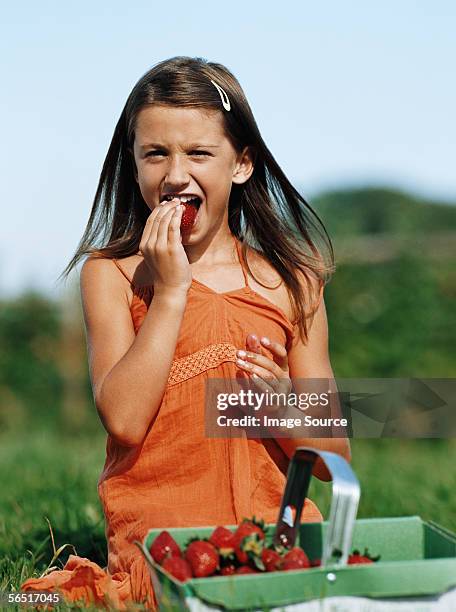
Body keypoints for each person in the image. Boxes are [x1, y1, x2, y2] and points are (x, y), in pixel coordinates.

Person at [21, 56, 350, 609]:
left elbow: (332, 454)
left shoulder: (293, 284)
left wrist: (283, 413)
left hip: (277, 546)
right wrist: (171, 292)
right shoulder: (113, 275)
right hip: (162, 553)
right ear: (133, 162)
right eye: (155, 153)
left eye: (199, 152)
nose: (175, 174)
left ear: (241, 164)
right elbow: (123, 420)